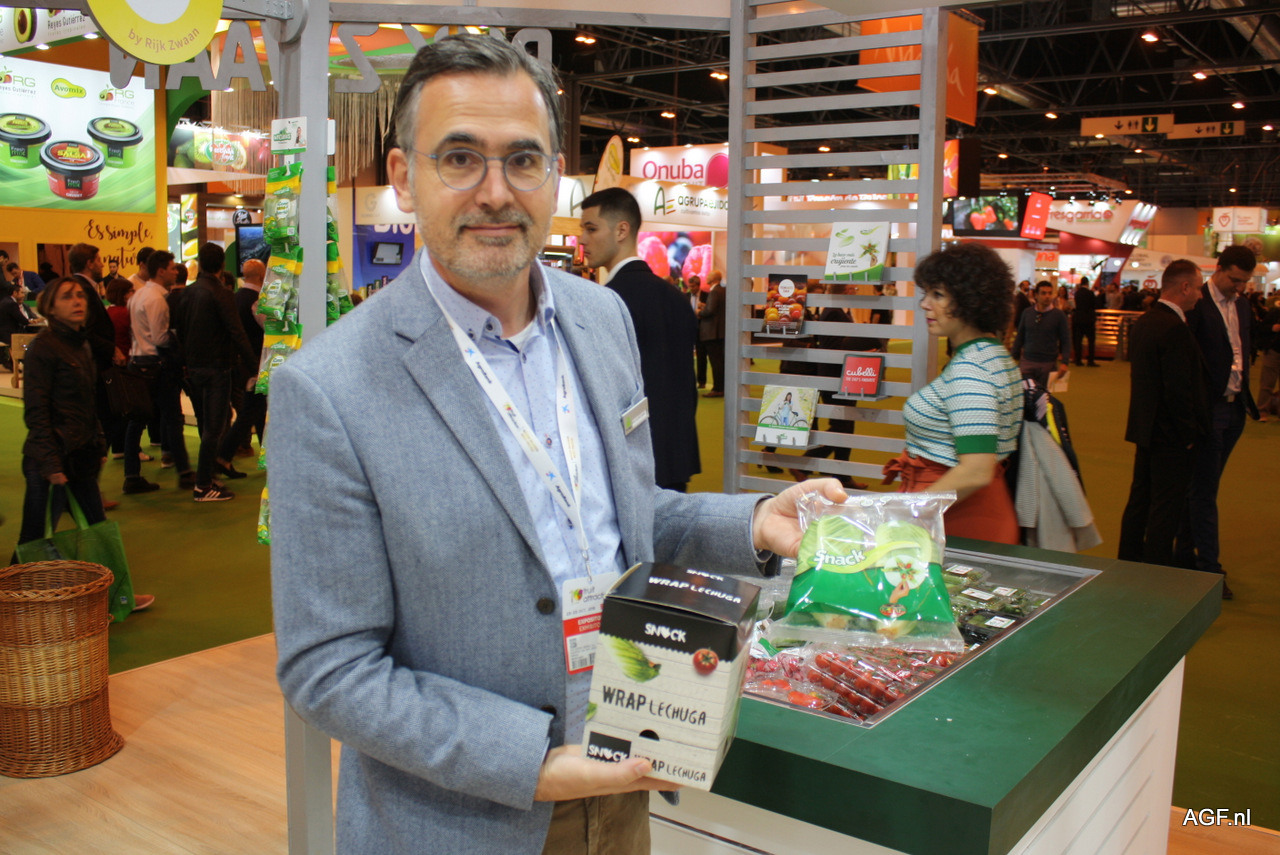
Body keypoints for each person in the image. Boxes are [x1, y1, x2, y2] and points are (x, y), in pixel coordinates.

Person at [266, 34, 845, 855]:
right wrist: (530, 764)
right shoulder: (329, 388)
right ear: (403, 175)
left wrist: (751, 523)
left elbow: (620, 520)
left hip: (622, 777)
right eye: (459, 158)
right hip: (460, 819)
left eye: (523, 160)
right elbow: (329, 668)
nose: (495, 192)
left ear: (555, 175)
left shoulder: (600, 317)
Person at [11, 277, 155, 610]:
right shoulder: (44, 348)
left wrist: (98, 442)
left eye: (80, 296)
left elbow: (89, 403)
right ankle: (12, 601)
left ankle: (117, 596)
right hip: (49, 459)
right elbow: (36, 412)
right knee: (33, 537)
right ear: (50, 307)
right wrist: (51, 464)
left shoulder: (82, 344)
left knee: (98, 531)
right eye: (67, 297)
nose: (77, 301)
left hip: (81, 455)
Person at [882, 242, 1023, 544]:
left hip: (959, 517)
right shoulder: (993, 355)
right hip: (964, 508)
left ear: (970, 300)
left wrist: (910, 514)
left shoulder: (971, 370)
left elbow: (976, 471)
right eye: (927, 293)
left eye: (938, 294)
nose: (924, 304)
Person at [578, 186, 700, 492]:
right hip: (675, 452)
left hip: (629, 460)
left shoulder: (606, 301)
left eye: (591, 229)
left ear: (621, 231)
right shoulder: (676, 298)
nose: (582, 239)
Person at [1176, 245, 1259, 599]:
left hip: (1235, 408)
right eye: (1235, 280)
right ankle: (1209, 568)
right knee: (1204, 491)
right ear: (1219, 269)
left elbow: (1242, 350)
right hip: (1207, 411)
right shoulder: (1197, 304)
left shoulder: (1242, 305)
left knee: (1202, 488)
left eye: (1244, 282)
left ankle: (1183, 555)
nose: (1239, 287)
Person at [1116, 260, 1209, 568]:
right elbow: (1178, 390)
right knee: (1166, 507)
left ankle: (1128, 559)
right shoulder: (1174, 328)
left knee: (1140, 498)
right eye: (1198, 288)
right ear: (1185, 287)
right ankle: (1157, 568)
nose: (1200, 295)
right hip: (1170, 435)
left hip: (1146, 428)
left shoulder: (1146, 322)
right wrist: (1189, 435)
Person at [171, 243, 256, 502]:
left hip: (194, 367)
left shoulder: (188, 293)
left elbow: (180, 331)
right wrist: (255, 367)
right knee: (214, 427)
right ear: (222, 265)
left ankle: (206, 477)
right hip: (217, 367)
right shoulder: (221, 293)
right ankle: (203, 484)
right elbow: (236, 332)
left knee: (208, 424)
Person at [123, 250, 195, 494]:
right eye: (173, 267)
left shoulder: (138, 295)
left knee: (137, 421)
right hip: (155, 364)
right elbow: (160, 337)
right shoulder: (156, 299)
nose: (176, 271)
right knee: (172, 418)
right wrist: (179, 344)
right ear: (161, 271)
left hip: (138, 361)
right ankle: (184, 472)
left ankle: (132, 475)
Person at [217, 258, 268, 461]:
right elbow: (270, 329)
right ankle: (224, 456)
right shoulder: (257, 301)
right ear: (262, 276)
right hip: (255, 363)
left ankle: (267, 456)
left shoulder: (234, 299)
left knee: (255, 410)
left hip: (239, 363)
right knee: (250, 411)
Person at [1010, 280, 1071, 388]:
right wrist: (1012, 357)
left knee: (1044, 396)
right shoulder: (1027, 313)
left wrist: (1064, 362)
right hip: (1027, 362)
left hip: (1048, 363)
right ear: (1036, 295)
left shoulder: (1059, 315)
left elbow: (1065, 340)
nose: (1047, 296)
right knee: (1025, 393)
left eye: (1050, 293)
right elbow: (1020, 336)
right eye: (1043, 293)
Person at [698, 269, 726, 397]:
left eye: (709, 275)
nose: (706, 276)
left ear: (714, 279)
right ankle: (720, 387)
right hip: (719, 332)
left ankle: (718, 388)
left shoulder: (714, 292)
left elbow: (710, 311)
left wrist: (699, 312)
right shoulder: (722, 291)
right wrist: (705, 306)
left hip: (712, 332)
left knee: (716, 362)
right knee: (719, 361)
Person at [1, 280, 38, 370]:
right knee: (28, 341)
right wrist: (31, 321)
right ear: (15, 293)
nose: (24, 295)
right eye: (21, 292)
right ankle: (29, 364)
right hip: (8, 334)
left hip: (4, 332)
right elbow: (23, 321)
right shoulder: (11, 304)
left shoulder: (4, 301)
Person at [1072, 275, 1098, 366]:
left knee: (1078, 341)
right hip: (1089, 319)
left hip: (1078, 319)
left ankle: (1078, 360)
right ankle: (1090, 360)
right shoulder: (1090, 293)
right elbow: (1094, 305)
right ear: (1087, 283)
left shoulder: (1077, 293)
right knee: (1091, 341)